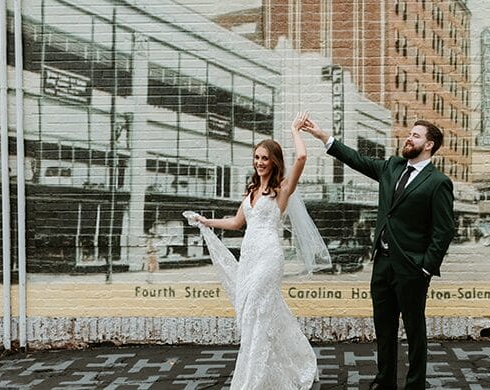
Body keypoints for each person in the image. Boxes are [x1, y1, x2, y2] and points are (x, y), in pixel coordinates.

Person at [302, 117, 455, 390]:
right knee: (384, 329)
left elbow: (444, 230)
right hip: (382, 264)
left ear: (429, 145)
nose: (409, 138)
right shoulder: (393, 167)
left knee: (415, 330)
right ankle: (385, 382)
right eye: (409, 134)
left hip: (411, 269)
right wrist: (323, 137)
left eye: (416, 136)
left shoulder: (438, 182)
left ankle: (415, 384)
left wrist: (425, 268)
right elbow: (357, 160)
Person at [184, 113, 324, 389]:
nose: (260, 163)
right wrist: (205, 221)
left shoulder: (282, 190)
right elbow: (237, 223)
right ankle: (290, 363)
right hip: (248, 257)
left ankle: (253, 378)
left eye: (265, 158)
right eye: (257, 158)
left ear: (274, 161)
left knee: (258, 313)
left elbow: (302, 159)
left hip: (269, 257)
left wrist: (295, 130)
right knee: (250, 313)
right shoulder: (251, 192)